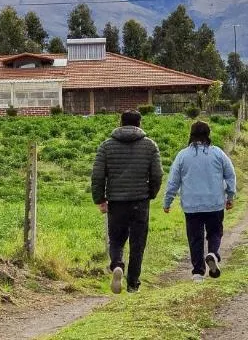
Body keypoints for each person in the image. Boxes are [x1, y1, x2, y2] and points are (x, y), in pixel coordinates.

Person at [91, 110, 163, 294]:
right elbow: (157, 174)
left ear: (120, 122)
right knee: (138, 244)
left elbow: (98, 175)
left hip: (116, 201)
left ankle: (117, 265)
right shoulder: (150, 146)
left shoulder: (106, 146)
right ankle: (133, 283)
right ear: (140, 123)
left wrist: (100, 199)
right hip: (140, 201)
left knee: (116, 240)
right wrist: (151, 193)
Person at [163, 120, 236, 282]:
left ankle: (197, 272)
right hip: (214, 203)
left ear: (192, 135)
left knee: (195, 238)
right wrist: (230, 196)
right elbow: (230, 175)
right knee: (215, 232)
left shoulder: (183, 155)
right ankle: (213, 254)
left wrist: (167, 202)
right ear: (208, 135)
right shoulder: (218, 153)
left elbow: (173, 181)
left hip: (191, 205)